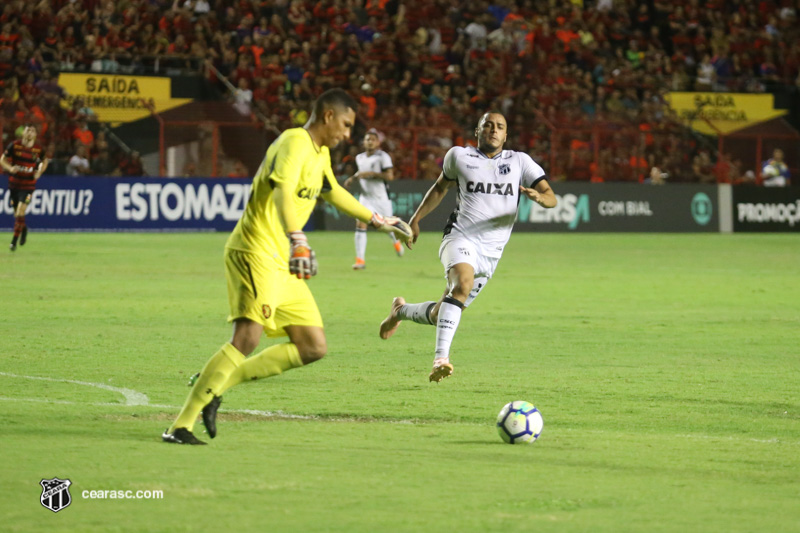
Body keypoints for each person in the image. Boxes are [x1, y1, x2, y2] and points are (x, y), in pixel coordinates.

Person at [162, 89, 412, 445]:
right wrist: (298, 238)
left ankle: (216, 384)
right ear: (327, 116)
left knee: (312, 345)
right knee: (247, 337)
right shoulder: (294, 142)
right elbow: (281, 191)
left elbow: (334, 191)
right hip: (255, 249)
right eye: (345, 124)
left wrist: (377, 219)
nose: (347, 134)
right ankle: (180, 427)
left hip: (281, 261)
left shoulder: (320, 153)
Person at [378, 112, 557, 382]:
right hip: (460, 237)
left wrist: (541, 198)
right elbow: (439, 188)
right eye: (488, 125)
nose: (493, 130)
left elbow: (551, 196)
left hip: (492, 252)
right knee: (461, 285)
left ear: (505, 135)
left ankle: (400, 311)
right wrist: (415, 221)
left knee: (443, 312)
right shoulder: (459, 156)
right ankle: (441, 359)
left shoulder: (520, 161)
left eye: (500, 127)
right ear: (478, 130)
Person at [343, 129, 403, 269]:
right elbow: (361, 172)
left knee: (387, 227)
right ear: (364, 142)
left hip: (381, 198)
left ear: (378, 142)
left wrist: (371, 174)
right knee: (360, 223)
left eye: (372, 139)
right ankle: (360, 260)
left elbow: (389, 176)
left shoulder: (383, 157)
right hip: (366, 198)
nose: (369, 142)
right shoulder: (359, 158)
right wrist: (352, 178)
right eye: (367, 139)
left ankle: (396, 242)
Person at [1, 124, 48, 252]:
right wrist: (10, 168)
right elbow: (2, 160)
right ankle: (24, 228)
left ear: (35, 135)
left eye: (32, 131)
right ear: (23, 133)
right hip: (14, 185)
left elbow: (45, 161)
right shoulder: (15, 146)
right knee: (17, 214)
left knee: (21, 210)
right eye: (28, 130)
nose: (30, 133)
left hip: (28, 186)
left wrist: (39, 172)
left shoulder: (38, 149)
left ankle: (13, 242)